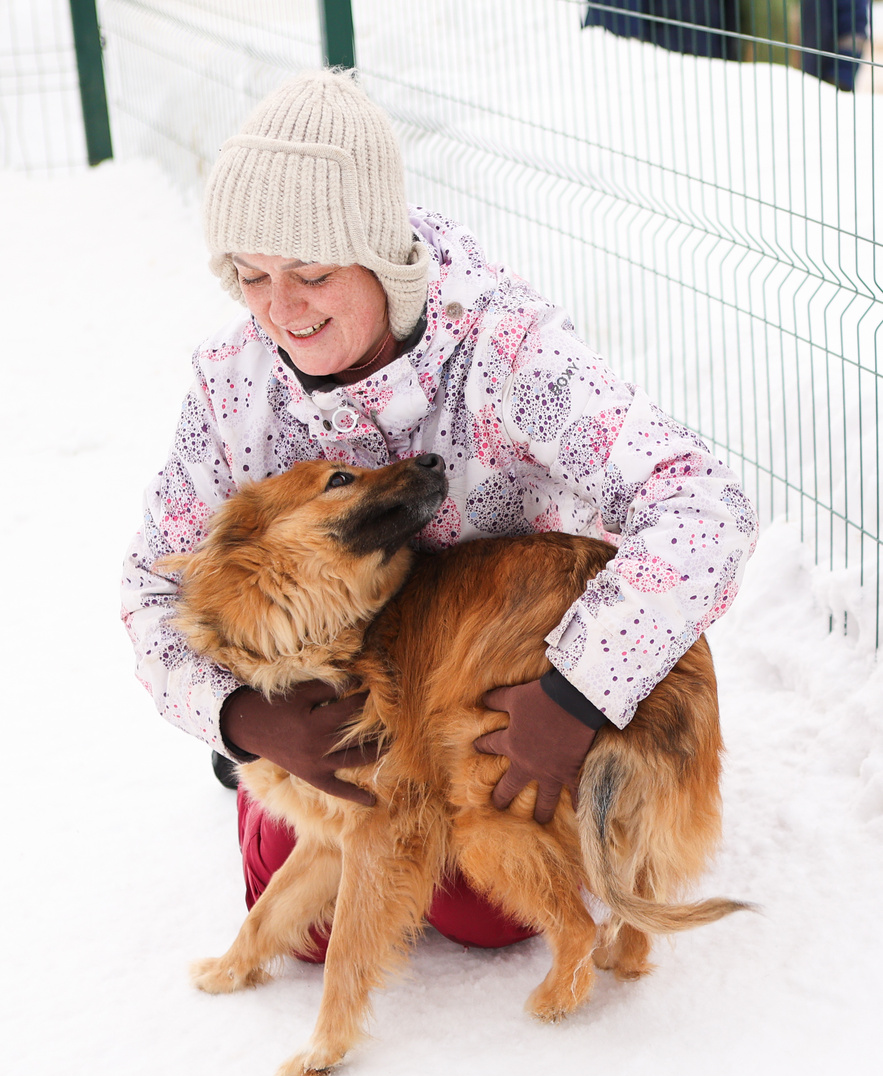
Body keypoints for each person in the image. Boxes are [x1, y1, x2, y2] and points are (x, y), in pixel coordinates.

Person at [122, 69, 758, 957]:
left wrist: (576, 697)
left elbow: (704, 506)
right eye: (252, 275)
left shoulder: (507, 351)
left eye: (311, 273)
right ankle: (250, 769)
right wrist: (241, 718)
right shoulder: (233, 383)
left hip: (476, 670)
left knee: (483, 914)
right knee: (306, 927)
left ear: (380, 261)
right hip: (332, 689)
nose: (281, 309)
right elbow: (151, 591)